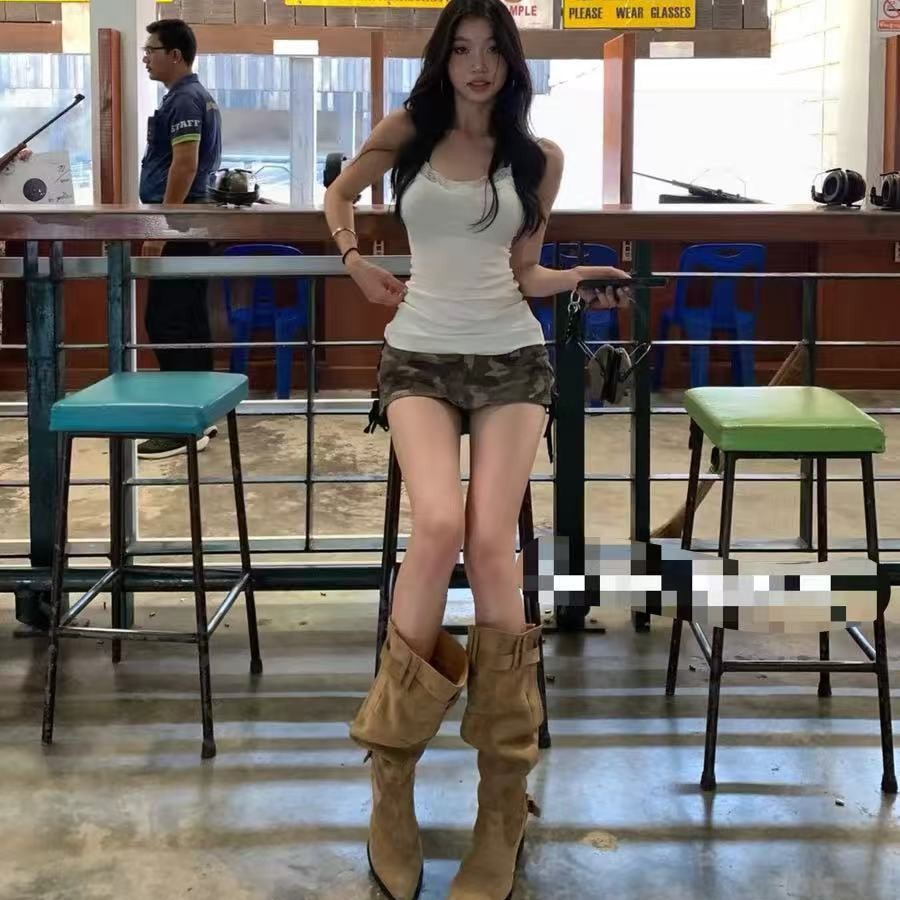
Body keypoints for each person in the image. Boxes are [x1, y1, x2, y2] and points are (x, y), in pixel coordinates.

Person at [324, 1, 630, 898]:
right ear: (443, 59)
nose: (477, 64)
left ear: (511, 61)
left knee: (492, 542)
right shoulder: (408, 132)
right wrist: (353, 259)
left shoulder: (538, 159)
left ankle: (503, 806)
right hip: (417, 354)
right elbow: (338, 194)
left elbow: (525, 273)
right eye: (461, 49)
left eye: (492, 49)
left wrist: (579, 278)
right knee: (438, 526)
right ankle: (391, 782)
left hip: (511, 357)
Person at [138, 18, 222, 460]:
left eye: (151, 50)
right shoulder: (189, 96)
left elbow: (184, 165)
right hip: (190, 225)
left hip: (182, 226)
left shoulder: (187, 98)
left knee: (167, 323)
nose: (145, 57)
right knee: (188, 322)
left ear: (175, 54)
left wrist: (163, 229)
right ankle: (200, 417)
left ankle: (181, 427)